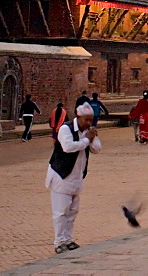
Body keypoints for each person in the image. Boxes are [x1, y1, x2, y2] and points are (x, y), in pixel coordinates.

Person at [46, 102, 101, 254]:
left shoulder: (88, 131)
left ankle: (68, 240)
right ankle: (59, 242)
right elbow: (68, 147)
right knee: (61, 212)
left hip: (77, 177)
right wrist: (86, 141)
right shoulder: (66, 129)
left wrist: (92, 138)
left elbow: (97, 149)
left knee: (73, 211)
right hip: (61, 176)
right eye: (86, 120)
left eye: (91, 120)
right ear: (78, 117)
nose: (89, 123)